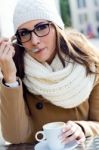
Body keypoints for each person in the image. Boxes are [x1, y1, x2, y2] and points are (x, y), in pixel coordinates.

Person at [0, 0, 99, 145]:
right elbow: (15, 137)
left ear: (57, 26)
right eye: (24, 33)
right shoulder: (17, 70)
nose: (34, 40)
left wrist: (82, 128)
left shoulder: (88, 63)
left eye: (41, 27)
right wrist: (10, 78)